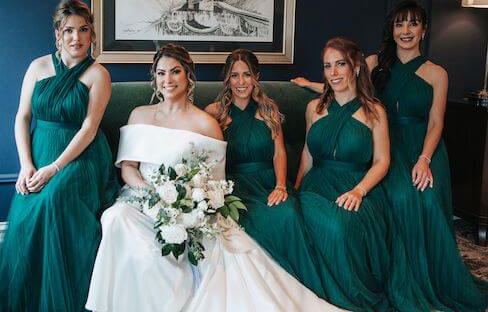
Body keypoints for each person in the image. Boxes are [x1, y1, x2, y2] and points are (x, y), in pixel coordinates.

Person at [86, 44, 346, 312]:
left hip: (187, 205)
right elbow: (128, 167)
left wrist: (187, 205)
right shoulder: (139, 115)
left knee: (191, 246)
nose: (168, 80)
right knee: (114, 218)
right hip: (142, 199)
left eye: (175, 72)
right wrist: (152, 193)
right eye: (161, 73)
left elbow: (215, 181)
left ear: (188, 76)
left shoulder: (206, 123)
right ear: (154, 77)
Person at [293, 1, 488, 311]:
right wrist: (310, 85)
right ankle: (395, 271)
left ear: (424, 30)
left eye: (413, 24)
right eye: (399, 24)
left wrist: (424, 159)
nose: (406, 30)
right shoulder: (374, 62)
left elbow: (437, 121)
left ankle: (429, 276)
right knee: (394, 197)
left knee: (420, 199)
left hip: (420, 145)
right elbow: (344, 84)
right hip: (385, 144)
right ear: (392, 30)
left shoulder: (436, 73)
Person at [0, 0, 119, 311]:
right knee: (27, 208)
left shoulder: (98, 74)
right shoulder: (37, 67)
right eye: (68, 30)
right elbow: (22, 117)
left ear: (92, 34)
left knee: (55, 200)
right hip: (40, 152)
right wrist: (26, 165)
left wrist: (54, 168)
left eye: (83, 30)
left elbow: (89, 128)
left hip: (80, 157)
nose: (76, 38)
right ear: (57, 34)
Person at [295, 37, 431, 311]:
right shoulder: (315, 108)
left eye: (340, 64)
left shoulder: (374, 111)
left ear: (356, 67)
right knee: (295, 219)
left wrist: (359, 190)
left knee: (342, 226)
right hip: (316, 185)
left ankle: (351, 295)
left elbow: (382, 161)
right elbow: (308, 155)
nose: (333, 73)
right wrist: (296, 188)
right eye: (327, 66)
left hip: (357, 185)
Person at [205, 49, 330, 297]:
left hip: (268, 183)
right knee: (253, 220)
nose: (241, 82)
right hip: (235, 186)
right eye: (234, 76)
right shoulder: (214, 112)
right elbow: (209, 158)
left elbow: (279, 153)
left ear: (256, 76)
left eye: (247, 75)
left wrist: (281, 186)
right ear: (226, 79)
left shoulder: (269, 109)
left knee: (288, 214)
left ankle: (298, 290)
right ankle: (266, 292)